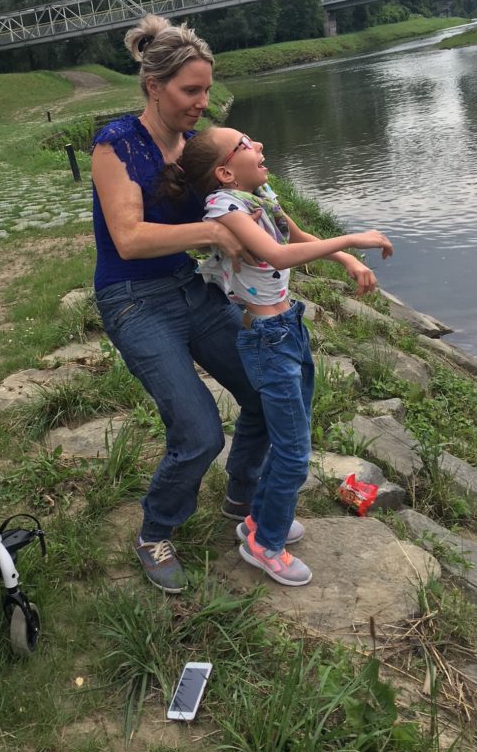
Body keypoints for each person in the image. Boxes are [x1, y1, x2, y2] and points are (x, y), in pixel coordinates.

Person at [160, 125, 392, 585]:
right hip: (268, 339)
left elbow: (295, 236)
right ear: (225, 172)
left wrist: (344, 260)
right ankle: (265, 545)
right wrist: (350, 240)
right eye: (245, 144)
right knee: (293, 452)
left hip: (289, 327)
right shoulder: (224, 207)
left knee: (294, 435)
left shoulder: (260, 196)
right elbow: (277, 255)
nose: (259, 145)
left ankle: (258, 520)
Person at [91, 14, 270, 594]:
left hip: (190, 288)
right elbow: (128, 238)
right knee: (198, 432)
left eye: (207, 90)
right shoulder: (116, 143)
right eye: (191, 91)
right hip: (132, 300)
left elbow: (238, 200)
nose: (203, 103)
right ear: (154, 86)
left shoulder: (195, 148)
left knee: (266, 391)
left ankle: (241, 495)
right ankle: (155, 531)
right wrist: (212, 233)